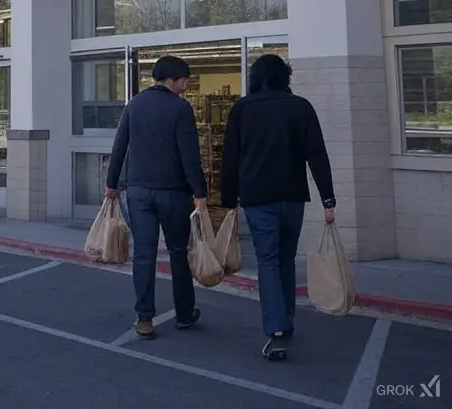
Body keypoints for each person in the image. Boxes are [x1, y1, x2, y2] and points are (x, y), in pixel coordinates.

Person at [221, 53, 337, 362]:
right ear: (285, 77)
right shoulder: (301, 107)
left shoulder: (243, 109)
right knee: (285, 259)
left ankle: (276, 330)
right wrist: (328, 199)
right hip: (293, 196)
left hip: (258, 198)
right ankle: (286, 320)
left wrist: (228, 201)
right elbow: (318, 156)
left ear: (255, 78)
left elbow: (230, 158)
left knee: (268, 261)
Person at [105, 55, 208, 340]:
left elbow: (120, 147)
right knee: (178, 252)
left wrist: (111, 184)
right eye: (184, 81)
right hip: (174, 192)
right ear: (171, 80)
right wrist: (199, 192)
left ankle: (144, 318)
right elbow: (190, 155)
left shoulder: (134, 105)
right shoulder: (180, 108)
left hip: (138, 192)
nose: (186, 86)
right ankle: (185, 313)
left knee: (144, 254)